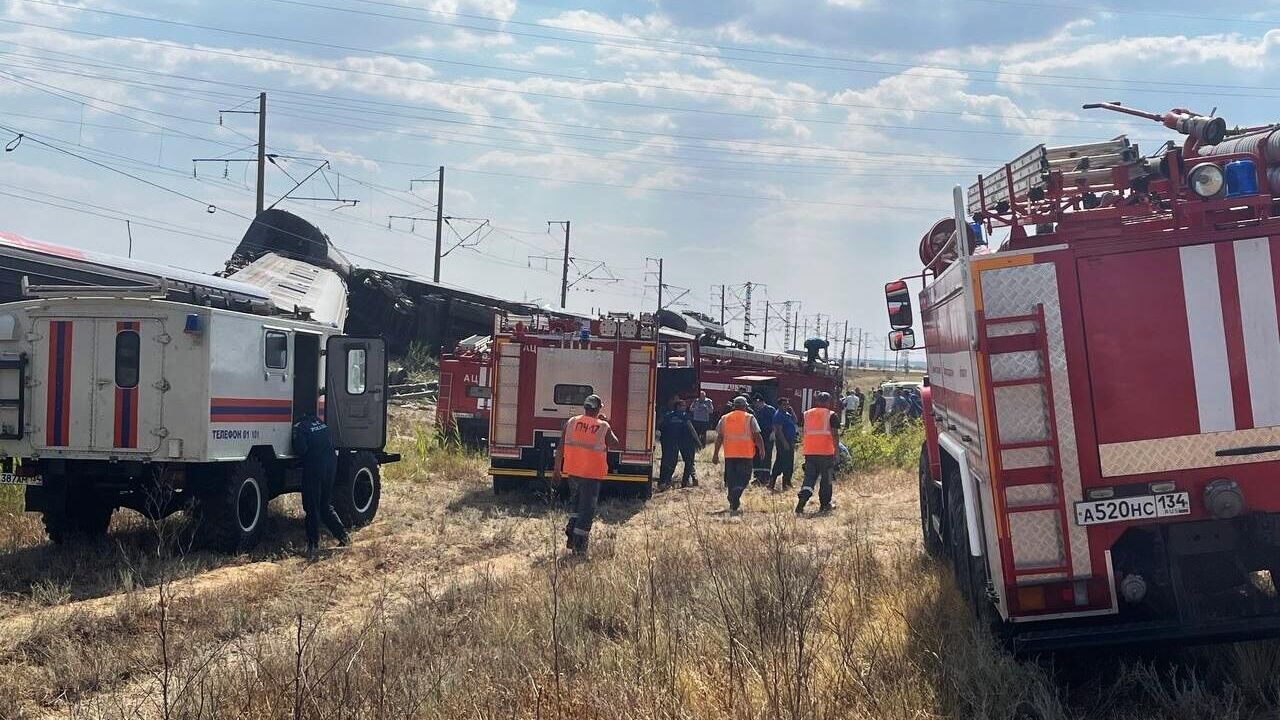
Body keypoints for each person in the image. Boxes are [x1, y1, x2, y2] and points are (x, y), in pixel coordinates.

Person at [553, 394, 619, 556]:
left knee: (576, 505)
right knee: (587, 510)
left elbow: (560, 448)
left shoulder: (571, 422)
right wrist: (606, 424)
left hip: (573, 472)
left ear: (585, 407)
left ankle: (571, 530)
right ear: (597, 409)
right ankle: (579, 546)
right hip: (591, 474)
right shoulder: (602, 426)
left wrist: (556, 471)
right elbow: (614, 443)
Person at [292, 411, 350, 557]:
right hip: (331, 467)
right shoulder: (321, 424)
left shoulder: (300, 427)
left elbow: (301, 450)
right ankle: (344, 537)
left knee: (312, 507)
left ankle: (313, 545)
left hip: (314, 469)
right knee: (325, 505)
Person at [711, 395, 766, 514]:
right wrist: (762, 449)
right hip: (745, 454)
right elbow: (757, 435)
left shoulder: (724, 418)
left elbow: (719, 437)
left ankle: (733, 502)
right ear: (745, 406)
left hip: (730, 454)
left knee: (731, 479)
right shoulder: (750, 417)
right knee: (744, 478)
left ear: (733, 406)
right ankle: (735, 496)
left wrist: (715, 454)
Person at [796, 392, 840, 515]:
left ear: (816, 401)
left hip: (810, 453)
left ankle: (802, 500)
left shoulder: (806, 414)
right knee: (827, 480)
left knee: (809, 478)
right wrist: (836, 453)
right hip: (826, 453)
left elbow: (801, 432)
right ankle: (825, 505)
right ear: (828, 402)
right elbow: (835, 434)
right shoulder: (831, 415)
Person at [657, 398, 700, 489]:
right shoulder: (684, 416)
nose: (685, 407)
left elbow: (661, 426)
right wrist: (698, 442)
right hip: (684, 442)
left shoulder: (668, 415)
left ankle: (666, 481)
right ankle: (685, 483)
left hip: (670, 442)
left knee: (670, 462)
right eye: (683, 405)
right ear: (678, 406)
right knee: (688, 462)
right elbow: (692, 429)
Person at [770, 397, 798, 490]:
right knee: (781, 462)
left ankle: (787, 482)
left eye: (787, 404)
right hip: (783, 442)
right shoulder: (778, 415)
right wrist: (784, 442)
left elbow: (795, 420)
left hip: (790, 441)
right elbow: (779, 430)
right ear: (779, 405)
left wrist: (792, 411)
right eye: (784, 404)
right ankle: (774, 482)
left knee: (789, 462)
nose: (786, 406)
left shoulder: (787, 414)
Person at [751, 394, 777, 485]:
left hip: (768, 435)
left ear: (761, 402)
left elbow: (775, 422)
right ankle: (757, 477)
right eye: (755, 403)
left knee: (766, 456)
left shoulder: (770, 410)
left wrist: (773, 432)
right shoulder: (754, 410)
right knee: (756, 455)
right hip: (757, 435)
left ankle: (766, 477)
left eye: (757, 403)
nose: (756, 405)